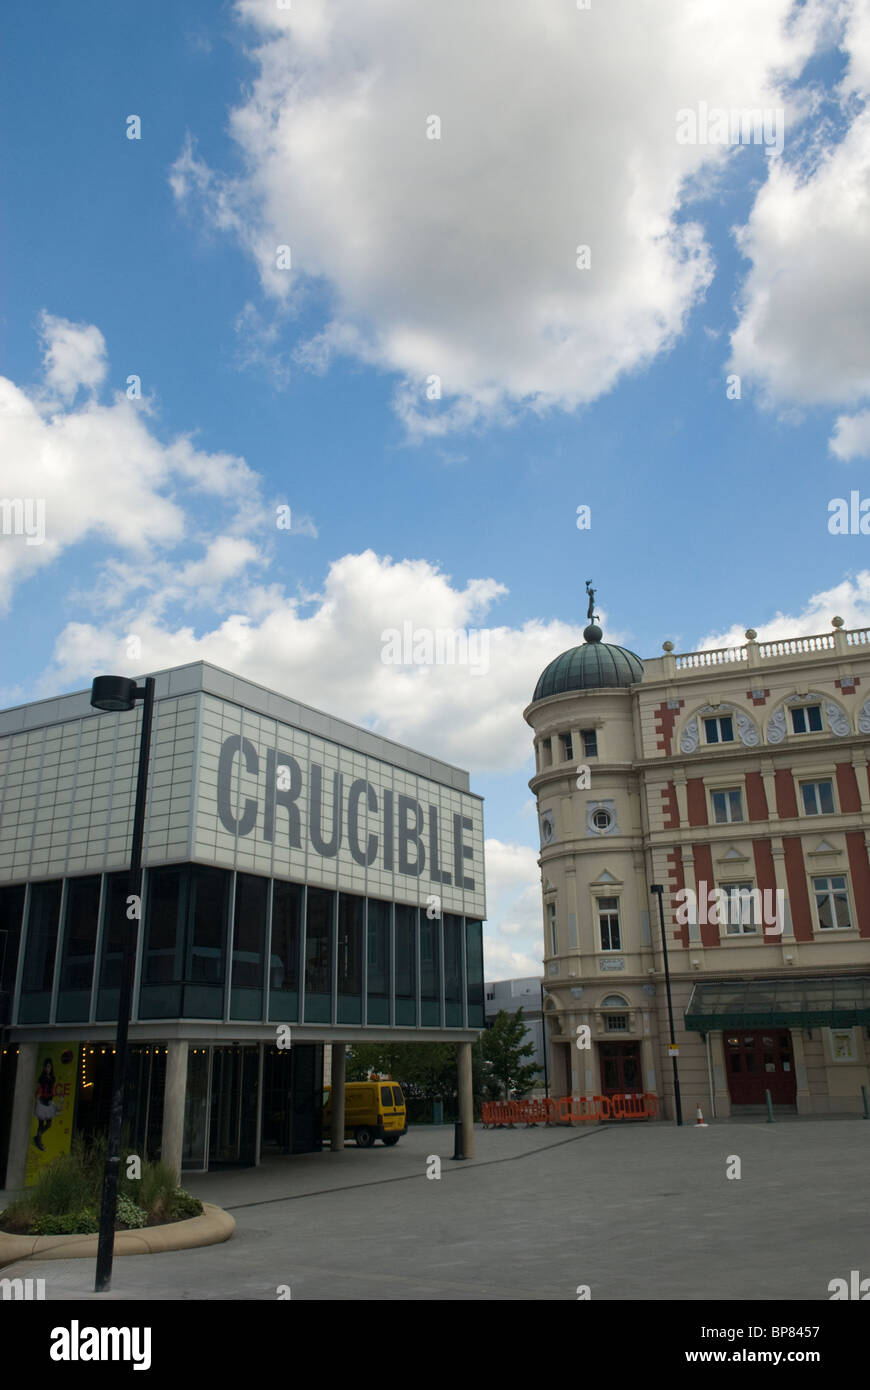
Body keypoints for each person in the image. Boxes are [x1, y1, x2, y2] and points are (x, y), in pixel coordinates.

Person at [33, 1057, 56, 1152]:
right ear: (44, 1068)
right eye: (46, 1067)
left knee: (49, 1123)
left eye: (49, 1067)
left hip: (48, 1102)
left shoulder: (52, 1077)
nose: (47, 1069)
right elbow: (38, 1089)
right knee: (41, 1123)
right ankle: (38, 1141)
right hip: (42, 1101)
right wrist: (37, 1099)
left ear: (51, 1067)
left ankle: (38, 1137)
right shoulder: (42, 1077)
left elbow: (52, 1089)